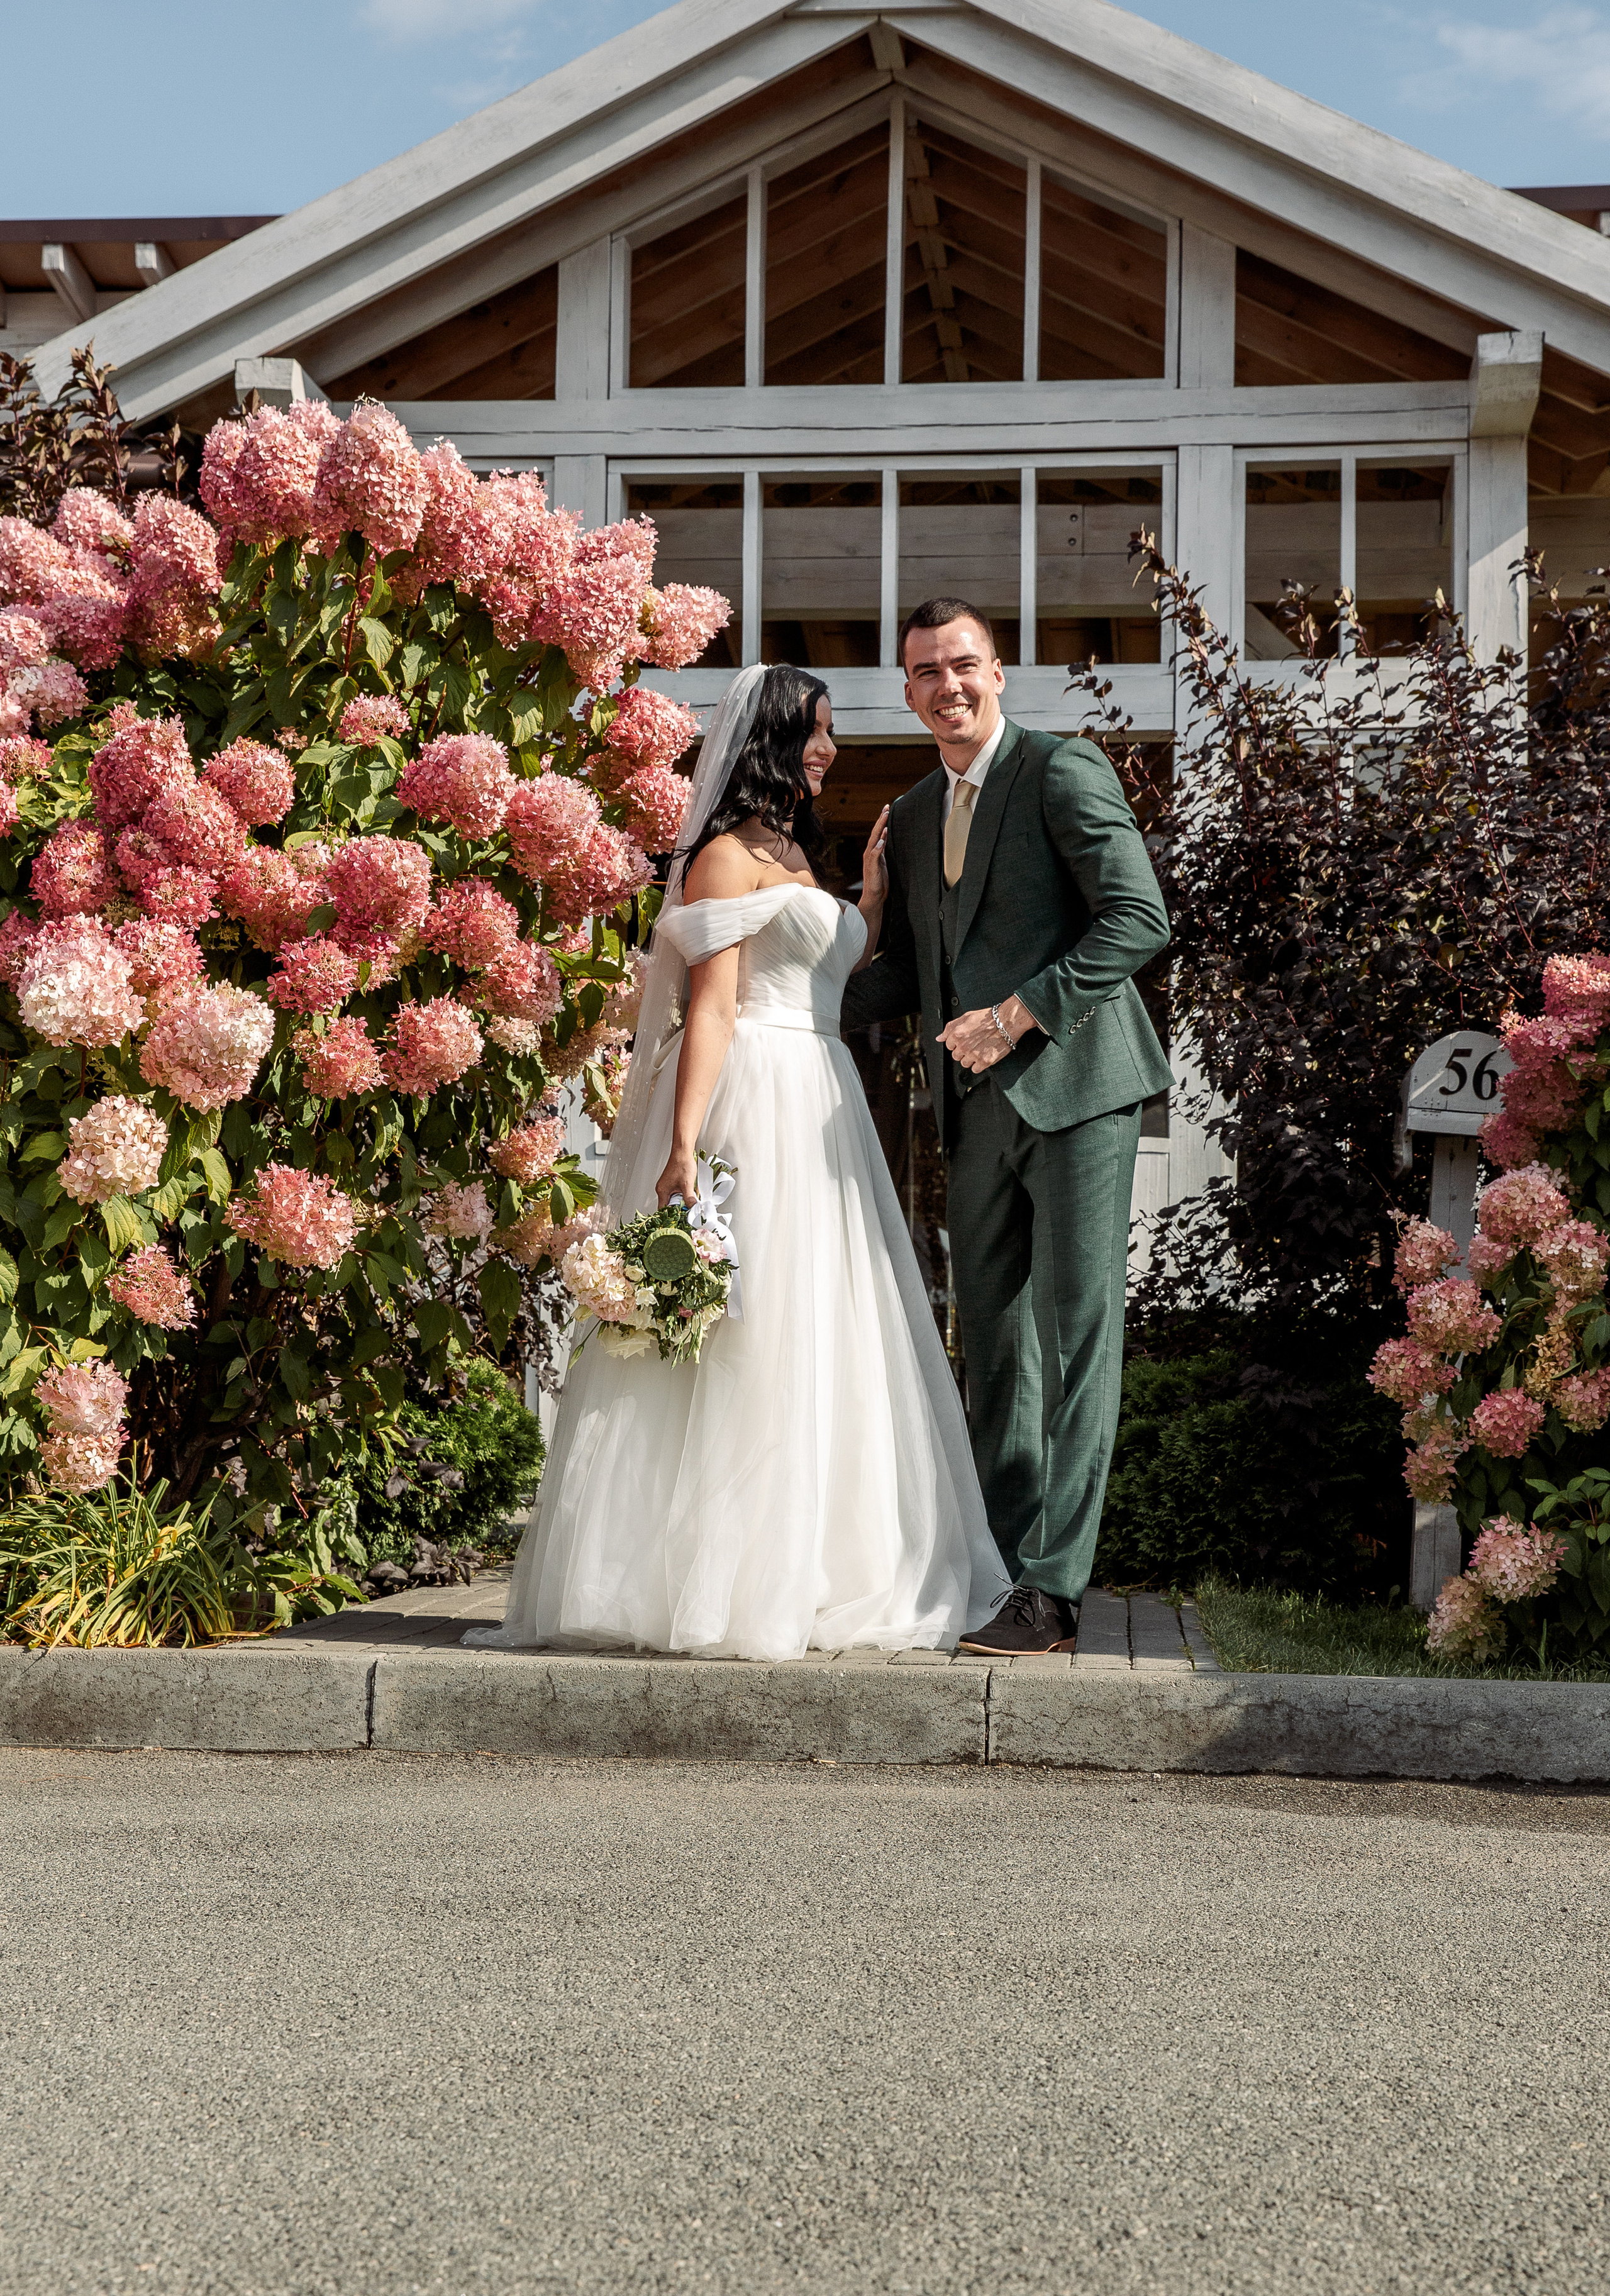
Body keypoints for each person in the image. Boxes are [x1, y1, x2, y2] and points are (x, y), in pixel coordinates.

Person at [465, 663, 1011, 1661]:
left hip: (823, 1096)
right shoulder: (722, 856)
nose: (829, 749)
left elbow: (822, 971)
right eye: (815, 730)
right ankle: (714, 1584)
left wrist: (871, 905)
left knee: (822, 1323)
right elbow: (710, 1005)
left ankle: (818, 1565)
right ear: (767, 735)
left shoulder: (794, 852)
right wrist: (681, 1145)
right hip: (757, 1093)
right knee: (749, 1335)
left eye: (833, 731)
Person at [841, 597, 1172, 1656]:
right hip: (977, 1111)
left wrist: (1022, 1012)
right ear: (907, 692)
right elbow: (910, 983)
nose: (948, 685)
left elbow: (1139, 917)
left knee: (1080, 1336)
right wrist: (854, 934)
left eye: (965, 664)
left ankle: (1055, 1590)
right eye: (927, 672)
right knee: (992, 1348)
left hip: (1078, 1089)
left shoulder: (1061, 770)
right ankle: (1001, 1565)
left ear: (999, 672)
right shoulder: (908, 807)